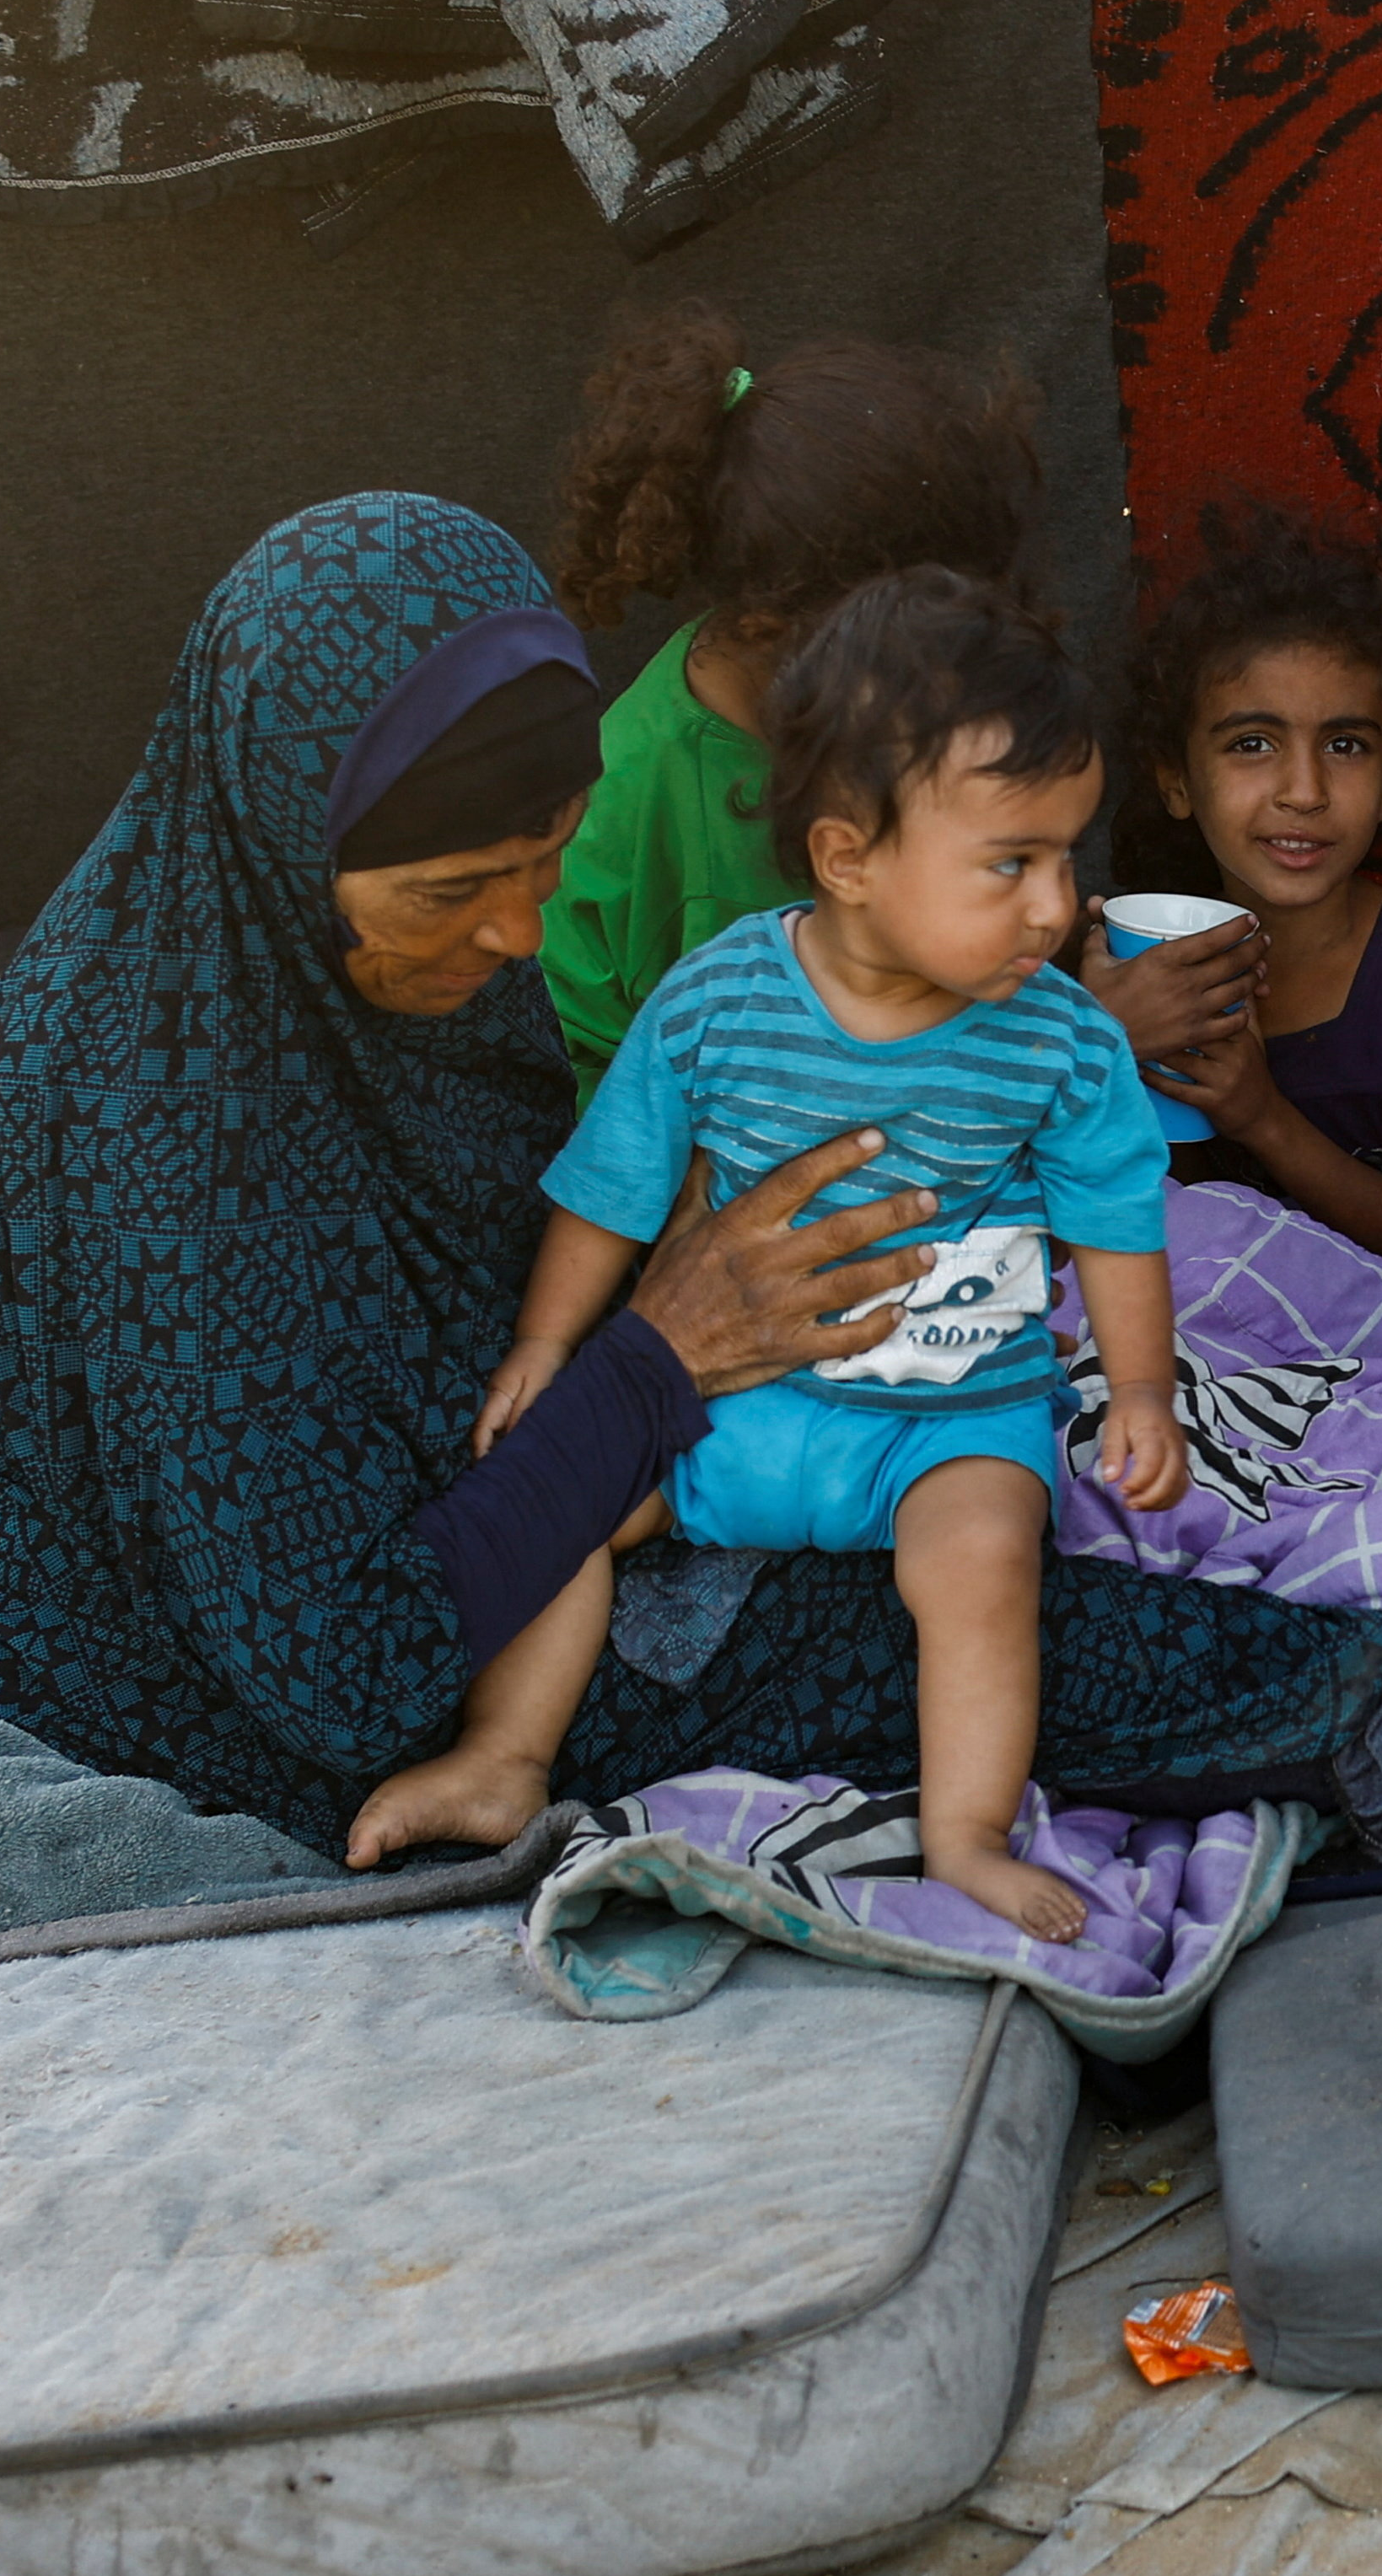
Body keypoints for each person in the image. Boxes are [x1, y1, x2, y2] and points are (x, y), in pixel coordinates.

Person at [0, 493, 1382, 1882]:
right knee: (892, 1631)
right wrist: (657, 1373)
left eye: (546, 863)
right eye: (462, 888)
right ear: (281, 831)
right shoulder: (173, 1142)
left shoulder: (357, 979)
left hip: (515, 1505)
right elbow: (346, 1662)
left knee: (975, 1499)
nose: (524, 934)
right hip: (224, 1681)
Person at [417, 570, 1196, 1942]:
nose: (1056, 905)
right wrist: (548, 1349)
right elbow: (612, 1187)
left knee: (983, 1566)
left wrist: (1140, 1393)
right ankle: (505, 1758)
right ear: (849, 860)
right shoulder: (717, 997)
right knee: (567, 1510)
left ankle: (962, 1833)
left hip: (950, 1421)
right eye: (1010, 862)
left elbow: (1118, 1219)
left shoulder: (1060, 1037)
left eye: (1070, 855)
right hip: (733, 1412)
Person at [533, 306, 1042, 1091]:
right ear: (773, 629)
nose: (947, 682)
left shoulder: (932, 703)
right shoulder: (627, 818)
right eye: (911, 652)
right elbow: (575, 1110)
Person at [1084, 497, 1382, 1256]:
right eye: (1252, 743)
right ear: (1177, 781)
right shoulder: (1109, 977)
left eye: (1345, 746)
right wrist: (1093, 1039)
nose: (1305, 790)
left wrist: (1262, 1117)